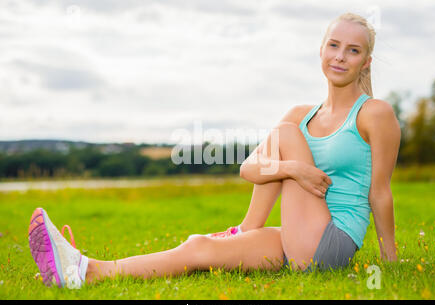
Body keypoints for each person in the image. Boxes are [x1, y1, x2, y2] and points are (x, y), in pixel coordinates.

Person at [28, 12, 400, 289]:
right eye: (334, 45)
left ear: (365, 61)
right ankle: (87, 270)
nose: (340, 56)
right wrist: (295, 170)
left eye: (353, 51)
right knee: (200, 247)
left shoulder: (374, 113)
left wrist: (390, 261)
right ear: (321, 50)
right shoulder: (301, 115)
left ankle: (246, 228)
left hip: (331, 244)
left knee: (285, 136)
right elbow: (250, 169)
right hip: (297, 235)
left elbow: (379, 191)